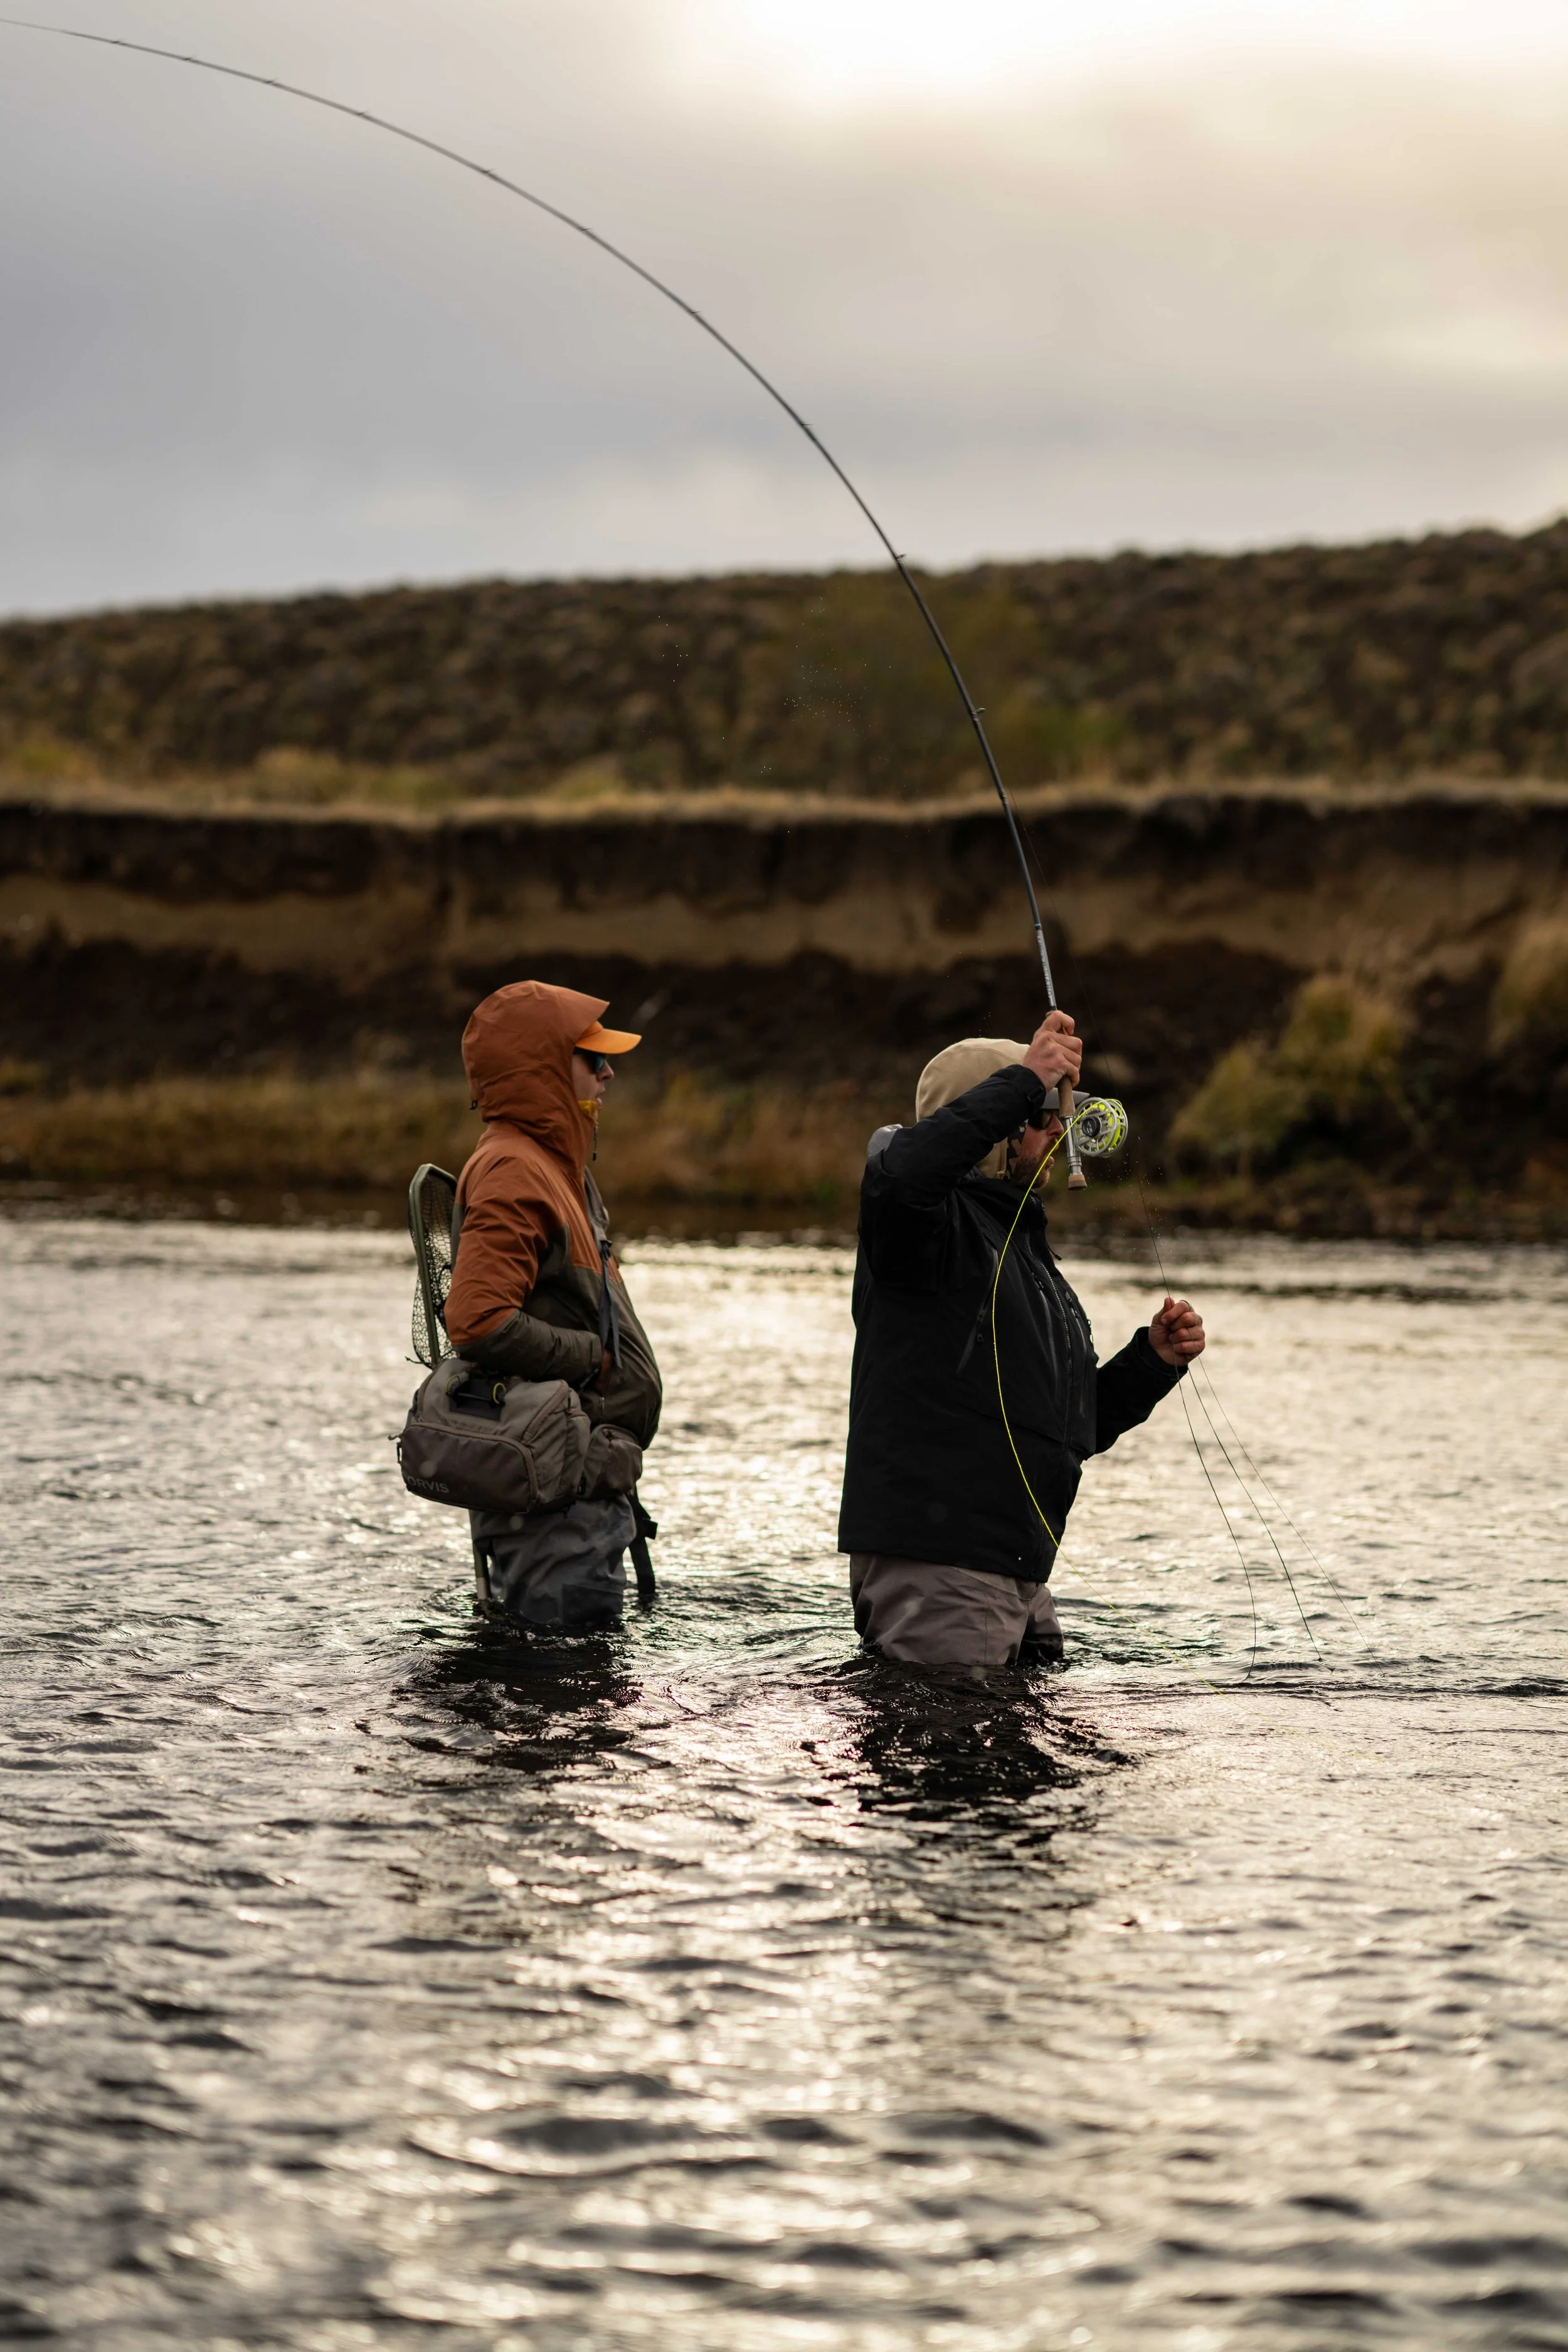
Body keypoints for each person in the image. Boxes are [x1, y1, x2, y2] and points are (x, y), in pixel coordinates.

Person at [837, 1010, 1205, 1676]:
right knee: (951, 1766)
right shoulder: (921, 1226)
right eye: (1040, 1116)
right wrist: (1021, 1080)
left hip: (1015, 1570)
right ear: (995, 1125)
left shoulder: (1021, 1250)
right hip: (945, 1560)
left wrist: (1151, 1362)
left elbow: (1068, 1427)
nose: (1057, 1131)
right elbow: (904, 1175)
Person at [443, 979, 662, 1631]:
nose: (608, 1071)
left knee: (573, 1705)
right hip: (555, 1515)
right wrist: (592, 1359)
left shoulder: (555, 1168)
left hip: (576, 1494)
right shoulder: (516, 1170)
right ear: (542, 1068)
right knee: (558, 1710)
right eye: (590, 1058)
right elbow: (478, 1322)